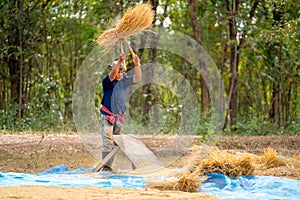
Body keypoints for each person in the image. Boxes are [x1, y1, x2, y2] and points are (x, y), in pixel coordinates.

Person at [100, 52, 141, 171]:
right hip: (107, 116)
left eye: (121, 71)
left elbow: (137, 78)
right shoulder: (107, 81)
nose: (119, 73)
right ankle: (106, 168)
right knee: (108, 142)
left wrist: (137, 64)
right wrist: (119, 62)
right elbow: (112, 76)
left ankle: (114, 165)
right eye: (117, 71)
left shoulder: (124, 81)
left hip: (118, 117)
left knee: (117, 142)